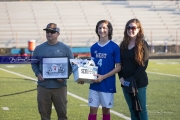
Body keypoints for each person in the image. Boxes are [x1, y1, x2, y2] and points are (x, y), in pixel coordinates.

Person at [79, 20, 121, 120]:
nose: (102, 30)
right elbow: (91, 66)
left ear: (109, 29)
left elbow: (119, 67)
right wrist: (83, 78)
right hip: (94, 84)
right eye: (100, 28)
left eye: (104, 28)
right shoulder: (93, 47)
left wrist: (103, 77)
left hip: (107, 84)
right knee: (92, 110)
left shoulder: (114, 47)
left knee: (106, 110)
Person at [31, 23, 74, 120]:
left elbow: (72, 65)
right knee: (44, 116)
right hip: (43, 86)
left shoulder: (66, 48)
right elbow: (34, 64)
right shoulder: (38, 49)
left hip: (60, 87)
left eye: (52, 32)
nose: (49, 34)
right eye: (47, 32)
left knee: (62, 115)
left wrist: (64, 76)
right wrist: (38, 74)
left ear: (58, 33)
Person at [118, 18, 149, 120]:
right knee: (132, 109)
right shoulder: (123, 45)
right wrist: (121, 77)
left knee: (142, 110)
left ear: (139, 29)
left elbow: (143, 65)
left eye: (133, 28)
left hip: (139, 82)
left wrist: (133, 80)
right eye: (128, 28)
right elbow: (119, 64)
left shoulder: (143, 44)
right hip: (126, 83)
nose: (130, 30)